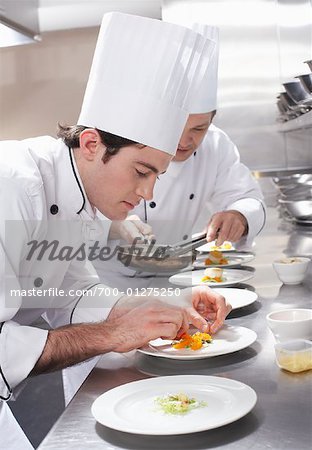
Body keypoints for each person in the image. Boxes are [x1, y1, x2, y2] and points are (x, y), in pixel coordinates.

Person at [0, 13, 230, 449]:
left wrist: (165, 303)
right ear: (91, 144)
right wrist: (112, 334)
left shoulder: (81, 196)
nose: (145, 194)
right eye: (141, 171)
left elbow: (68, 296)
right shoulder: (12, 187)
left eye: (157, 177)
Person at [61, 24, 265, 406]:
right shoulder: (33, 179)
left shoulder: (217, 148)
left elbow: (247, 195)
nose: (187, 141)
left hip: (165, 285)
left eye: (200, 129)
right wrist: (112, 224)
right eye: (143, 173)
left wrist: (241, 213)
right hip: (107, 284)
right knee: (109, 392)